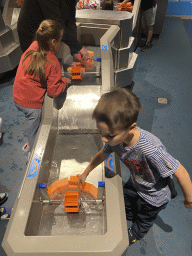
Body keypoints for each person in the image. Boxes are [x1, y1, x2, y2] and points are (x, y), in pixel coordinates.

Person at [77, 88, 192, 245]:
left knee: (145, 218)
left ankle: (136, 233)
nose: (104, 139)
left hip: (155, 195)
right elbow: (102, 154)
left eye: (109, 135)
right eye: (101, 133)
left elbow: (182, 172)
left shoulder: (150, 148)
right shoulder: (115, 140)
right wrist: (86, 172)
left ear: (131, 128)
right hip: (137, 179)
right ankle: (129, 214)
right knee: (126, 197)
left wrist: (189, 198)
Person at [13, 19, 71, 153]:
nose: (61, 44)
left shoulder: (34, 45)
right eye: (60, 40)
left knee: (31, 124)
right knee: (35, 127)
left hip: (17, 95)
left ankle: (30, 140)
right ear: (53, 42)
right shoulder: (52, 62)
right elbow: (53, 91)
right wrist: (64, 82)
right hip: (31, 104)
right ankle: (33, 154)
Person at [17, 0, 92, 64]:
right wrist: (78, 46)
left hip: (48, 32)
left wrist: (75, 50)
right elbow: (58, 24)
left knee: (49, 66)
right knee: (37, 68)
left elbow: (70, 21)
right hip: (32, 33)